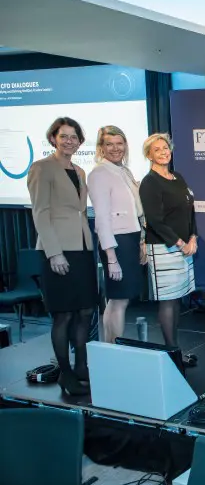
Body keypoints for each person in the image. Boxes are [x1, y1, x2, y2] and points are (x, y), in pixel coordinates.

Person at [27, 117, 97, 396]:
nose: (69, 141)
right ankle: (65, 374)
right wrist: (54, 253)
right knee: (64, 314)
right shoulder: (42, 167)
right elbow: (40, 212)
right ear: (53, 138)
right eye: (64, 136)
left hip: (82, 248)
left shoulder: (79, 171)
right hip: (57, 249)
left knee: (86, 310)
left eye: (74, 137)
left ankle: (81, 366)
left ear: (80, 141)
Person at [139, 133, 198, 366]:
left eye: (166, 148)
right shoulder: (149, 182)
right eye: (157, 149)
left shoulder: (177, 177)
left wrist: (193, 237)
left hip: (184, 247)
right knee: (168, 301)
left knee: (176, 300)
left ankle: (175, 351)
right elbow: (155, 220)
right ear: (149, 155)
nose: (163, 152)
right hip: (164, 248)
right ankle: (172, 353)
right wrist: (180, 243)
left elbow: (190, 210)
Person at [87, 126, 147, 344]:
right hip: (116, 243)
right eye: (109, 144)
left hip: (130, 240)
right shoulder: (99, 174)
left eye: (119, 143)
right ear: (101, 148)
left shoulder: (124, 171)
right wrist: (111, 259)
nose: (115, 148)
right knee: (118, 301)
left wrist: (141, 242)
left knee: (119, 300)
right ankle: (113, 350)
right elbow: (102, 219)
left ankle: (111, 348)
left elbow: (135, 211)